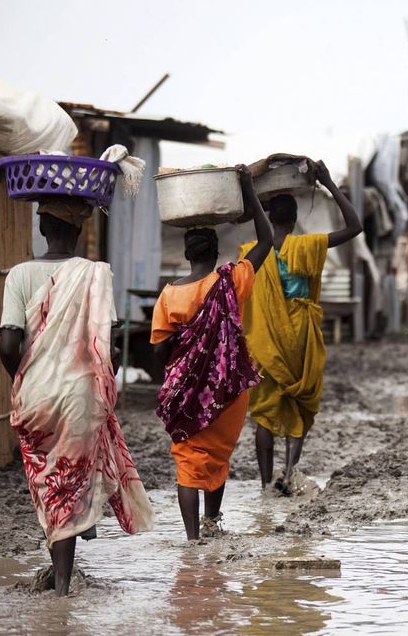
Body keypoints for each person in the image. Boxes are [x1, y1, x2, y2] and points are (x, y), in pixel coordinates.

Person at [0, 197, 154, 596]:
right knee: (71, 478)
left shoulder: (19, 275)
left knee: (50, 482)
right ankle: (65, 579)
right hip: (82, 397)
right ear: (80, 232)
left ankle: (62, 587)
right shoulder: (95, 275)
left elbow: (8, 345)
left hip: (37, 396)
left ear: (43, 228)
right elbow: (110, 350)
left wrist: (26, 380)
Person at [151, 166, 274, 540]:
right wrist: (250, 192)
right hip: (228, 389)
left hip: (187, 391)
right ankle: (213, 521)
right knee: (218, 455)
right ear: (216, 251)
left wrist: (180, 374)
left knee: (188, 460)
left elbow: (158, 349)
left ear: (186, 254)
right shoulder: (231, 280)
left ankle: (192, 540)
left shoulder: (170, 294)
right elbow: (266, 242)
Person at [240, 159, 362, 494]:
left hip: (263, 340)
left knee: (263, 412)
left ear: (267, 218)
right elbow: (354, 227)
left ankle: (266, 485)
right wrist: (328, 184)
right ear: (294, 220)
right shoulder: (307, 246)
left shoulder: (250, 253)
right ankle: (290, 473)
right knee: (300, 403)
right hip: (301, 338)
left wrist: (248, 190)